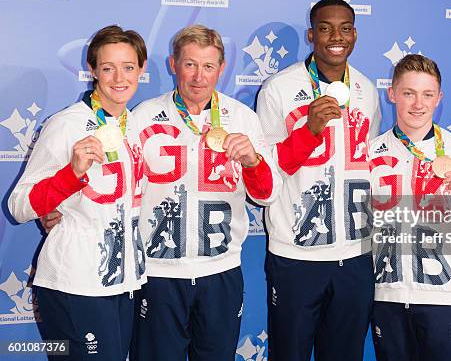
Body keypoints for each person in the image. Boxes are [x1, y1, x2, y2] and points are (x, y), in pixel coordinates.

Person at [129, 25, 281, 361]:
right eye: (190, 64)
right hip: (159, 272)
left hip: (220, 271)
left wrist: (253, 162)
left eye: (208, 66)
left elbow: (267, 195)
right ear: (173, 64)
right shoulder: (141, 117)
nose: (199, 77)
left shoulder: (243, 118)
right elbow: (121, 187)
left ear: (222, 69)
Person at [8, 25, 148, 360]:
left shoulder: (134, 124)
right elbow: (18, 206)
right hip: (76, 283)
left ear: (140, 70)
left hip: (124, 280)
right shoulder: (67, 124)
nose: (119, 77)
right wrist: (70, 175)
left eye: (128, 67)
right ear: (92, 70)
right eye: (108, 68)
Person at [256, 0, 381, 360]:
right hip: (297, 254)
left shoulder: (366, 90)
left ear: (355, 35)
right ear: (312, 34)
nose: (335, 37)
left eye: (345, 28)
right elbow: (267, 171)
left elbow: (367, 166)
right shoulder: (279, 89)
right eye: (325, 28)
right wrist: (309, 129)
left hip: (355, 254)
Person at [368, 54, 451, 361]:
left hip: (444, 297)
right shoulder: (371, 151)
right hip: (387, 296)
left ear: (439, 98)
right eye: (409, 93)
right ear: (392, 93)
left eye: (427, 94)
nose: (417, 104)